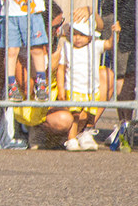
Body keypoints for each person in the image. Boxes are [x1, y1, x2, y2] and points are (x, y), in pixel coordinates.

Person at [45, 14, 110, 151]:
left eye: (82, 34)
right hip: (73, 88)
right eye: (75, 34)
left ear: (90, 36)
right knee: (75, 115)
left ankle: (85, 133)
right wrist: (62, 89)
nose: (78, 38)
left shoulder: (95, 46)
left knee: (89, 114)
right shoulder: (67, 48)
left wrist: (115, 33)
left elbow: (109, 44)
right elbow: (61, 69)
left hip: (90, 89)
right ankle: (71, 139)